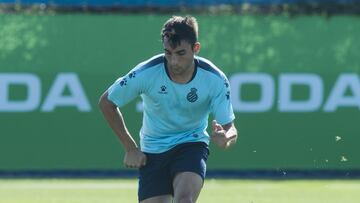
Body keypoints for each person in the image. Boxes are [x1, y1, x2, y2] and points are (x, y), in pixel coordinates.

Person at [99, 15, 238, 203]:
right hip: (153, 152)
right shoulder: (147, 73)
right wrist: (131, 148)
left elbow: (229, 127)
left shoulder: (215, 79)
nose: (173, 61)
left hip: (191, 144)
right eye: (168, 53)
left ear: (195, 48)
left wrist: (226, 138)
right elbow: (107, 102)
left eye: (180, 53)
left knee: (184, 199)